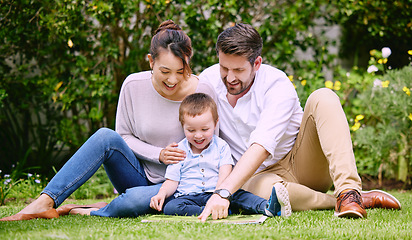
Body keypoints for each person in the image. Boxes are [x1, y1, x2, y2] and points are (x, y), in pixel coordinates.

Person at [0, 20, 216, 221]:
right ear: (150, 61)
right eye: (165, 71)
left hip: (182, 184)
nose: (172, 79)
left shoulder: (203, 90)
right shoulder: (133, 85)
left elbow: (213, 145)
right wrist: (157, 154)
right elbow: (123, 137)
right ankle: (45, 202)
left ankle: (87, 209)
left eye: (181, 71)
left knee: (132, 202)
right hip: (137, 176)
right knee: (105, 136)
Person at [197, 23, 401, 221]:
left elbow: (262, 146)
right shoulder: (208, 82)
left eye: (239, 70)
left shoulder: (276, 84)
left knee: (324, 97)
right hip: (257, 178)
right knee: (269, 192)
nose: (230, 77)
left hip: (300, 163)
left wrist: (223, 193)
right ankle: (340, 201)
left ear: (257, 63)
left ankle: (349, 193)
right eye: (224, 68)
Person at [149, 93, 292, 218]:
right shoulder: (179, 149)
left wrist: (218, 195)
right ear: (183, 126)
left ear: (215, 123)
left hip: (218, 191)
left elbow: (225, 174)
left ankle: (269, 206)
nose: (198, 135)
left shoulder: (221, 146)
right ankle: (210, 211)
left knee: (241, 196)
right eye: (191, 130)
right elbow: (172, 181)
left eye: (205, 129)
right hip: (189, 197)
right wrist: (162, 193)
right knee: (171, 207)